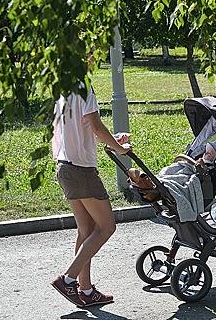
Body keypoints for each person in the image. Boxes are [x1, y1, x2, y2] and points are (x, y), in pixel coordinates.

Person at [50, 74, 132, 307]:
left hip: (65, 167)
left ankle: (85, 292)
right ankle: (68, 279)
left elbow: (78, 131)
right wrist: (119, 149)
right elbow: (95, 125)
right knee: (107, 226)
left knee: (86, 230)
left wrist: (113, 140)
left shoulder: (63, 86)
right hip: (81, 170)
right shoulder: (85, 86)